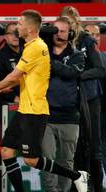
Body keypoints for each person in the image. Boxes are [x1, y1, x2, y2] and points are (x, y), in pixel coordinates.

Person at [0, 9, 88, 192]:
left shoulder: (36, 47)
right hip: (25, 109)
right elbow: (18, 77)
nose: (17, 26)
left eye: (19, 23)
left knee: (31, 160)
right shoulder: (30, 46)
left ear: (30, 28)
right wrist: (3, 86)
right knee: (7, 152)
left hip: (35, 112)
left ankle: (77, 175)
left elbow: (14, 76)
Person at [60, 6, 105, 192]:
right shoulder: (56, 42)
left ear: (77, 24)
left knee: (93, 149)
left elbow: (100, 70)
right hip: (68, 102)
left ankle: (97, 188)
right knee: (73, 151)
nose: (68, 27)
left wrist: (78, 75)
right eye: (64, 23)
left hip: (90, 100)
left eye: (71, 23)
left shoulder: (86, 41)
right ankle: (77, 188)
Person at [41, 16, 85, 192]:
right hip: (46, 115)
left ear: (71, 34)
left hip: (70, 117)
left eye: (63, 31)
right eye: (55, 30)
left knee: (66, 161)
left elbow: (71, 73)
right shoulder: (42, 51)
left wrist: (49, 63)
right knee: (47, 160)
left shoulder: (77, 55)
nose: (58, 34)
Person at [84, 23, 106, 178]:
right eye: (89, 34)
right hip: (89, 108)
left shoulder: (104, 57)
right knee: (91, 147)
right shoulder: (79, 57)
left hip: (102, 109)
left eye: (96, 34)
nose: (93, 37)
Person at [0, 22, 21, 123]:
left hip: (28, 105)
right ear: (5, 37)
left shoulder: (28, 53)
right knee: (10, 138)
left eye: (17, 32)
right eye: (11, 33)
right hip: (8, 105)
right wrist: (13, 97)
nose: (15, 36)